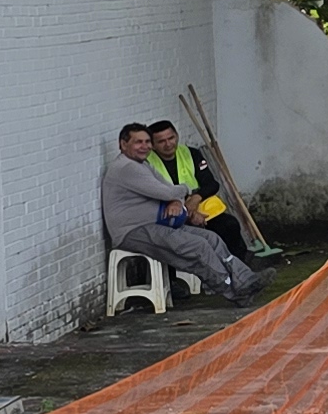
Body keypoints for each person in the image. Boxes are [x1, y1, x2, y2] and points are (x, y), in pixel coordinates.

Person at [101, 124, 258, 305]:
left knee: (211, 238)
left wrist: (176, 199)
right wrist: (182, 191)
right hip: (134, 230)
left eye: (147, 142)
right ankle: (235, 291)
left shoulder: (142, 164)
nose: (144, 146)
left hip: (157, 224)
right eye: (138, 142)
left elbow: (168, 190)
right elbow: (168, 192)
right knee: (197, 246)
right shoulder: (127, 168)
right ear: (123, 144)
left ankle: (246, 279)